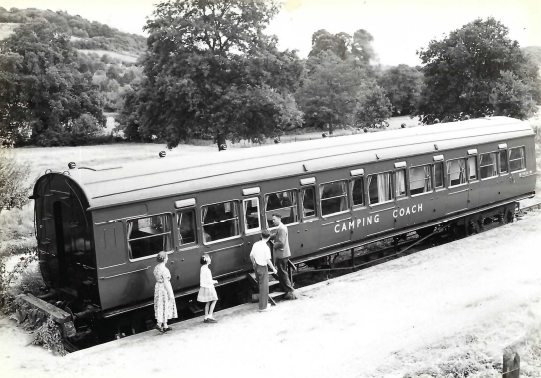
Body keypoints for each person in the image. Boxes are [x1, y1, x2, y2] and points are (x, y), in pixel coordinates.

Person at [250, 230, 278, 312]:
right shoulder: (266, 247)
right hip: (263, 267)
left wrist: (253, 263)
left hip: (257, 266)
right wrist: (273, 268)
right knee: (264, 287)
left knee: (261, 286)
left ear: (261, 236)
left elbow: (251, 255)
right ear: (269, 237)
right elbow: (268, 260)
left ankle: (264, 304)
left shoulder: (256, 244)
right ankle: (263, 307)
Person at [271, 214, 296, 300]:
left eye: (274, 219)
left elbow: (281, 242)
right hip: (282, 254)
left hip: (282, 254)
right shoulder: (280, 227)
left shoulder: (282, 229)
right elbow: (276, 235)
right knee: (281, 273)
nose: (272, 221)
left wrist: (273, 246)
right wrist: (269, 237)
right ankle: (284, 288)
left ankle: (290, 291)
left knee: (283, 273)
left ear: (279, 219)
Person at [153, 251, 177, 333]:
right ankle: (159, 324)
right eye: (167, 257)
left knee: (160, 305)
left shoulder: (156, 267)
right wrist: (171, 293)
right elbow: (166, 282)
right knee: (165, 304)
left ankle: (165, 325)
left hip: (158, 287)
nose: (167, 258)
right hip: (163, 288)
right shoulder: (165, 270)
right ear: (164, 259)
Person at [197, 254, 219, 323]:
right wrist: (215, 281)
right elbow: (209, 281)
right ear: (207, 261)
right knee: (215, 299)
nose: (210, 259)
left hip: (203, 287)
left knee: (208, 302)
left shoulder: (202, 268)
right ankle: (210, 315)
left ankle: (206, 317)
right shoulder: (207, 270)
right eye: (209, 258)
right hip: (209, 287)